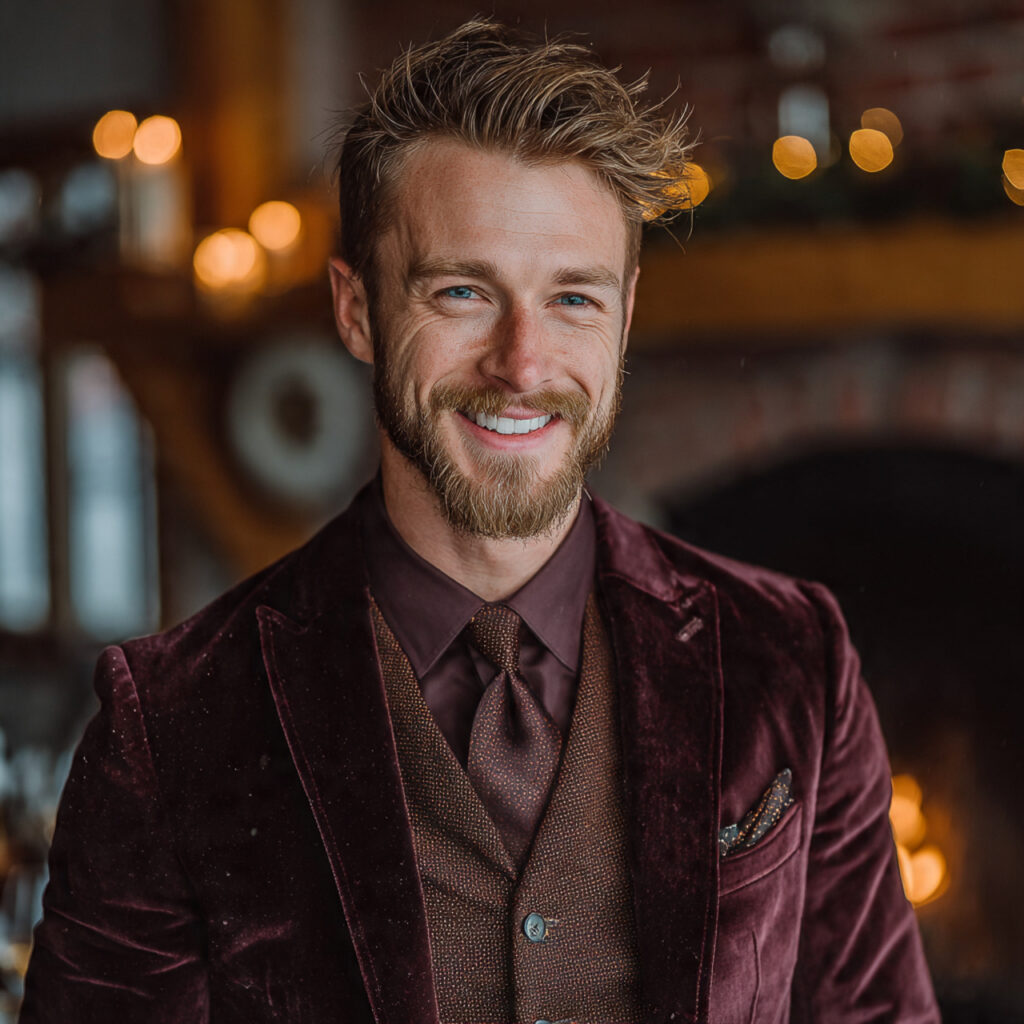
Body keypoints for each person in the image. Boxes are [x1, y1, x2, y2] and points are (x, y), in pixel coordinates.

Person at [21, 19, 939, 1024]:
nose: (523, 363)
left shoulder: (792, 659)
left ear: (624, 318)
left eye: (572, 300)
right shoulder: (168, 723)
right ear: (358, 308)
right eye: (462, 292)